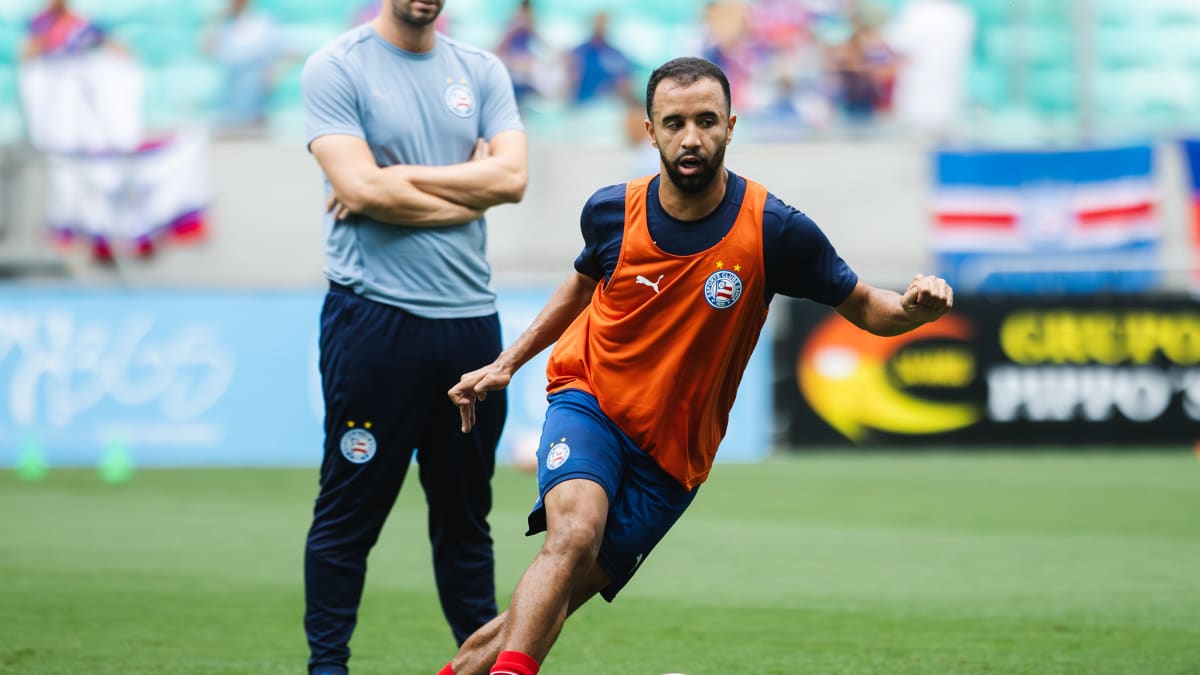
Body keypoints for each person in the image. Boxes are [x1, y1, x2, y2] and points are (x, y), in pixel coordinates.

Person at [439, 56, 954, 675]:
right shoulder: (610, 212)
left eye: (706, 121)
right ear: (650, 131)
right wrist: (508, 364)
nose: (691, 138)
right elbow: (579, 289)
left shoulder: (773, 229)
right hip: (591, 401)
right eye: (674, 122)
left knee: (541, 608)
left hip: (673, 462)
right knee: (572, 537)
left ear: (730, 126)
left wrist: (913, 309)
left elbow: (869, 306)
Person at [299, 0, 528, 673]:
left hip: (469, 325)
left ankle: (483, 665)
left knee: (466, 517)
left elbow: (512, 179)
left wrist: (395, 177)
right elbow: (357, 190)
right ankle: (327, 667)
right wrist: (466, 192)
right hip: (374, 321)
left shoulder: (481, 71)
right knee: (349, 511)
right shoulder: (336, 66)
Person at [205, 0, 287, 133]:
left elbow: (289, 51)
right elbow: (207, 49)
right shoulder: (227, 26)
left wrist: (274, 72)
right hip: (230, 90)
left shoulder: (263, 22)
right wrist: (217, 20)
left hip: (255, 87)